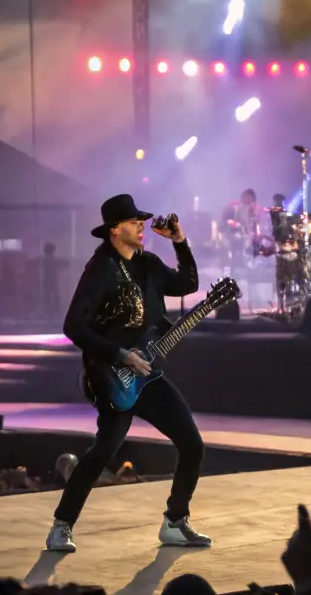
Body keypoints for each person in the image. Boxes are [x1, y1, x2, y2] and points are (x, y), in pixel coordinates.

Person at [46, 193, 209, 552]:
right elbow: (73, 326)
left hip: (148, 374)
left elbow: (189, 284)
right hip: (113, 377)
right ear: (114, 230)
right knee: (102, 453)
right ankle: (62, 525)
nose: (142, 227)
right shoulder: (100, 269)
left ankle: (175, 522)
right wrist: (121, 355)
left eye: (141, 222)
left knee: (192, 444)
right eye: (135, 223)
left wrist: (180, 242)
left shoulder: (148, 264)